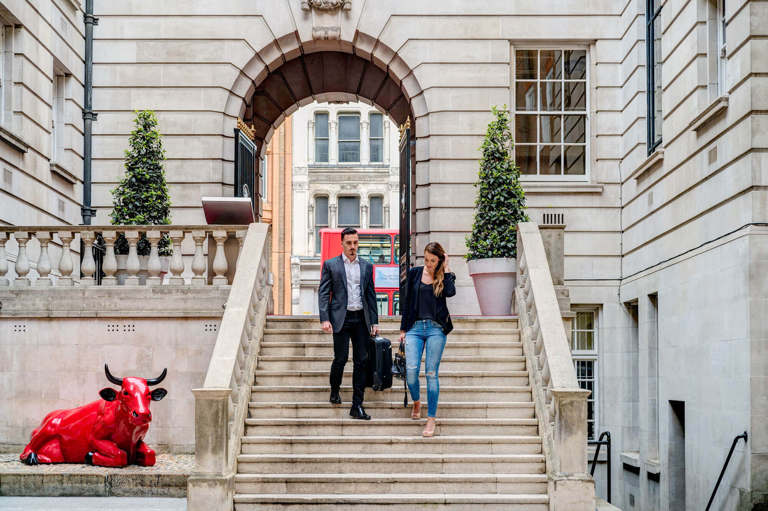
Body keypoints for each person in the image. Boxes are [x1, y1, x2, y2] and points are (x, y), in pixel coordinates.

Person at [318, 227, 379, 420]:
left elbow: (371, 295)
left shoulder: (367, 266)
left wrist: (374, 321)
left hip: (361, 319)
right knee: (341, 359)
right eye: (349, 243)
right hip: (340, 319)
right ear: (342, 243)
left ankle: (357, 405)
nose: (353, 247)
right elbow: (323, 293)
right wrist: (325, 318)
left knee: (361, 361)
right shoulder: (331, 265)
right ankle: (335, 390)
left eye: (355, 243)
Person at [399, 242, 455, 437]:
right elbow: (406, 303)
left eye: (433, 261)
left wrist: (446, 268)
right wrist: (403, 329)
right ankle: (416, 401)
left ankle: (431, 419)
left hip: (436, 329)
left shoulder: (444, 276)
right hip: (414, 328)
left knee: (431, 373)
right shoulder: (414, 273)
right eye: (427, 259)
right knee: (411, 370)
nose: (429, 264)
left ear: (439, 260)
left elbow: (450, 292)